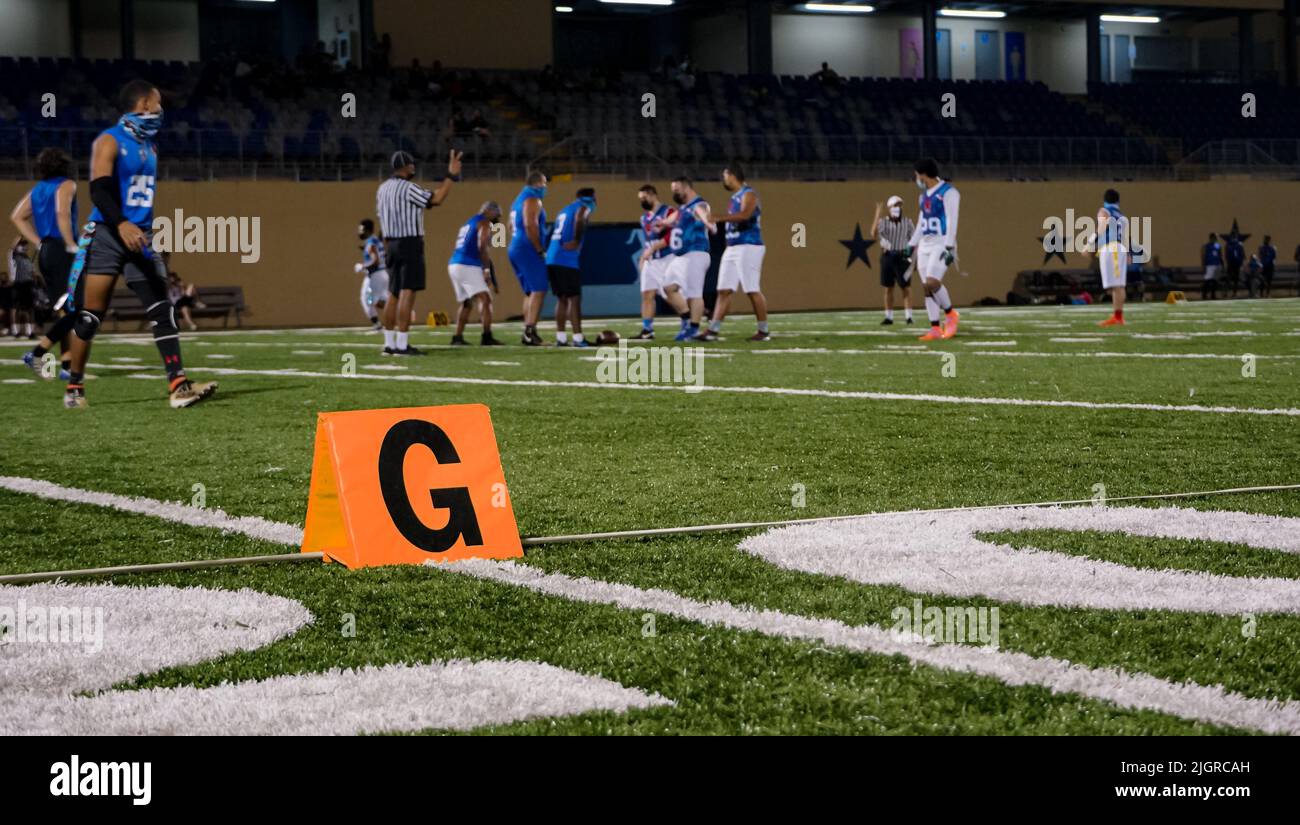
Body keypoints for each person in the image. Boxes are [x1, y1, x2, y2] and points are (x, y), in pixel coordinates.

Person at [62, 79, 216, 409]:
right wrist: (121, 223)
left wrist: (138, 228)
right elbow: (99, 191)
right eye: (157, 103)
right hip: (108, 234)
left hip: (140, 238)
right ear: (144, 104)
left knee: (163, 308)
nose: (162, 110)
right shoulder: (109, 141)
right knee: (90, 317)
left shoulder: (150, 145)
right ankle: (74, 385)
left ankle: (178, 385)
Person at [376, 148, 462, 356]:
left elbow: (382, 221)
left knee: (393, 294)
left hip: (391, 244)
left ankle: (389, 344)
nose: (414, 167)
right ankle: (403, 344)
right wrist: (451, 175)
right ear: (406, 167)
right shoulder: (407, 188)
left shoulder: (382, 189)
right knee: (408, 292)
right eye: (412, 164)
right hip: (409, 243)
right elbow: (437, 199)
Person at [12, 148, 79, 379]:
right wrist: (71, 243)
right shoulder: (67, 185)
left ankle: (67, 367)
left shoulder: (38, 189)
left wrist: (39, 242)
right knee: (77, 310)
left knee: (63, 311)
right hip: (63, 249)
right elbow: (62, 213)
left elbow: (17, 216)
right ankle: (38, 352)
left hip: (47, 251)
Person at [699, 163, 770, 342]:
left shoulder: (749, 193)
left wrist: (718, 217)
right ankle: (713, 330)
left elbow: (745, 215)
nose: (723, 180)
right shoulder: (735, 197)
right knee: (723, 290)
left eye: (725, 176)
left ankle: (764, 330)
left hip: (749, 245)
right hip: (733, 247)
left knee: (752, 289)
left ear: (732, 175)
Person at [907, 158, 961, 341]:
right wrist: (911, 244)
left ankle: (951, 314)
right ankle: (935, 328)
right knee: (926, 287)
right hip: (925, 245)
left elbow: (952, 220)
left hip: (941, 242)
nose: (916, 179)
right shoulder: (923, 196)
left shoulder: (949, 192)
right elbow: (922, 222)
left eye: (916, 175)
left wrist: (949, 246)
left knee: (932, 282)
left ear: (923, 174)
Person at [660, 176, 715, 341]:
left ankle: (694, 329)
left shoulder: (698, 204)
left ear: (686, 188)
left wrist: (708, 222)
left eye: (676, 189)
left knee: (694, 293)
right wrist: (663, 223)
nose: (674, 193)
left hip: (696, 253)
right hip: (681, 256)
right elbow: (673, 219)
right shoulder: (683, 208)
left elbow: (703, 213)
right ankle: (686, 319)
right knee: (668, 287)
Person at [633, 184, 687, 340]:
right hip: (652, 260)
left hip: (667, 258)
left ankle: (689, 322)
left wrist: (656, 247)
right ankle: (647, 330)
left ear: (653, 195)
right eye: (640, 199)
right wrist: (644, 256)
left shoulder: (669, 212)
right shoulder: (644, 218)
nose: (642, 201)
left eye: (644, 198)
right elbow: (648, 241)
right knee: (647, 294)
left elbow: (672, 235)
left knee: (672, 295)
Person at [447, 201, 503, 346]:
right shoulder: (483, 223)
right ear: (489, 211)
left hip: (454, 264)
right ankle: (486, 336)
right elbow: (482, 247)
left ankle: (457, 337)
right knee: (485, 299)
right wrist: (486, 271)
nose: (496, 219)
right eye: (496, 214)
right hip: (467, 264)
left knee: (467, 303)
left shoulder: (469, 222)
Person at [545, 187, 595, 347]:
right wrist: (576, 239)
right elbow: (580, 218)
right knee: (574, 299)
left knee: (562, 299)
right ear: (591, 197)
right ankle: (578, 338)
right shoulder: (583, 207)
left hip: (553, 256)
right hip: (566, 258)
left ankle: (561, 338)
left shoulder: (564, 210)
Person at [507, 171, 549, 346]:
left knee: (530, 291)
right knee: (539, 289)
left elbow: (509, 226)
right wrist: (540, 249)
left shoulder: (517, 199)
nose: (546, 187)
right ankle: (530, 332)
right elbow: (529, 224)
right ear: (538, 183)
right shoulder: (532, 199)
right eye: (544, 183)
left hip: (517, 246)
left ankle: (528, 331)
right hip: (527, 248)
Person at [871, 195, 916, 326]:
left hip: (902, 256)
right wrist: (877, 214)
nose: (898, 208)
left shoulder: (907, 222)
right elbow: (873, 235)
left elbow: (913, 240)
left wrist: (912, 256)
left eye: (900, 205)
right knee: (888, 288)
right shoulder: (883, 222)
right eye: (895, 205)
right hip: (887, 256)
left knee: (905, 287)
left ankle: (909, 317)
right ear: (890, 208)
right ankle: (889, 317)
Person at [1093, 189, 1129, 327]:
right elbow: (1125, 235)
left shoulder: (1105, 210)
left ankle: (1118, 317)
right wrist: (1129, 253)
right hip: (1119, 248)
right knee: (1117, 285)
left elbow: (1101, 227)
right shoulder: (1121, 215)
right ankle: (1117, 315)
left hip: (1111, 248)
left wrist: (1090, 243)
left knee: (1117, 285)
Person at [355, 218, 387, 330]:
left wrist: (362, 266)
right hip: (382, 275)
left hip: (375, 277)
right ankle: (401, 309)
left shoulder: (371, 243)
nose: (359, 232)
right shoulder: (375, 241)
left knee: (367, 300)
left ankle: (377, 325)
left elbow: (375, 260)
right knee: (376, 301)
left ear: (367, 230)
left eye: (361, 230)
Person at [7, 239, 35, 338]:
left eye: (25, 245)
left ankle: (30, 331)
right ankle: (15, 331)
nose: (24, 247)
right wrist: (19, 238)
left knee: (29, 308)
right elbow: (12, 248)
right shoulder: (13, 256)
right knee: (15, 308)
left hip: (27, 284)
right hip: (16, 284)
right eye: (22, 245)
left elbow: (32, 272)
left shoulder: (27, 258)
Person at [1202, 233, 1222, 301]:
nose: (1216, 239)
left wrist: (1221, 264)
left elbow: (1220, 255)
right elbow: (1204, 256)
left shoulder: (1218, 246)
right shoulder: (1206, 246)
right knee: (1207, 281)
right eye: (1215, 237)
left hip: (1217, 265)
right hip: (1209, 265)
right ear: (1211, 238)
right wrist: (1204, 265)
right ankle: (1204, 295)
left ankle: (1213, 295)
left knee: (1215, 281)